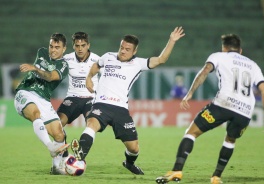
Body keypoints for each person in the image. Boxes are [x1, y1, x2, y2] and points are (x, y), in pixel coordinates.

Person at [155, 34, 264, 184]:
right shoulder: (253, 65)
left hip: (222, 105)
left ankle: (177, 170)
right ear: (240, 50)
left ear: (224, 48)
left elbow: (204, 72)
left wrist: (190, 93)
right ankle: (216, 177)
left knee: (191, 133)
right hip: (245, 111)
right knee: (230, 140)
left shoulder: (218, 56)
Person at [70, 27, 185, 175]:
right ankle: (79, 159)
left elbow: (161, 59)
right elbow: (96, 65)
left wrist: (171, 41)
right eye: (121, 47)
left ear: (134, 51)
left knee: (134, 148)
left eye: (127, 49)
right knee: (91, 124)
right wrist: (88, 79)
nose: (123, 51)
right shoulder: (108, 56)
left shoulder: (139, 63)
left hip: (120, 109)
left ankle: (129, 163)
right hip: (101, 104)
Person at [14, 33, 70, 163]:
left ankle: (57, 167)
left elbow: (50, 76)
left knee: (59, 134)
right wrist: (35, 69)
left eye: (57, 47)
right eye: (51, 46)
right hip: (26, 92)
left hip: (43, 99)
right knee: (36, 113)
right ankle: (50, 146)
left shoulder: (64, 66)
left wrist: (35, 69)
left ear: (64, 49)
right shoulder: (42, 52)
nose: (53, 50)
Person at [50, 32, 100, 174]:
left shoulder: (98, 60)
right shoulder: (67, 59)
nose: (80, 49)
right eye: (77, 46)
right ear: (73, 46)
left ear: (88, 45)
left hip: (91, 98)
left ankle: (80, 155)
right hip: (72, 98)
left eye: (83, 45)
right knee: (57, 125)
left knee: (92, 123)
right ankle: (64, 158)